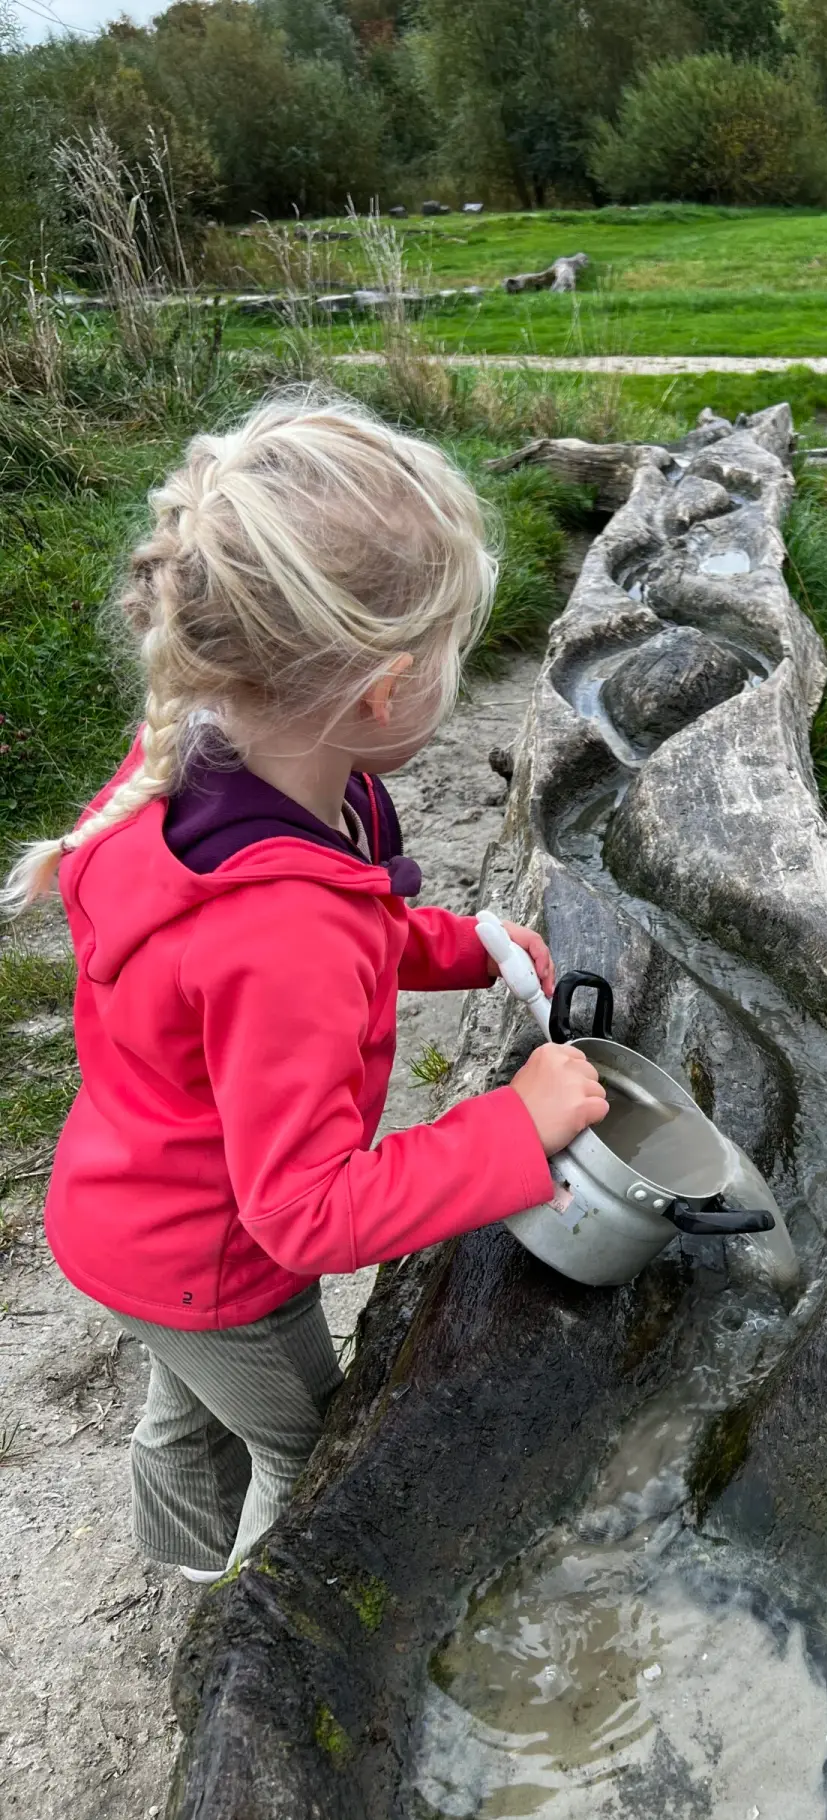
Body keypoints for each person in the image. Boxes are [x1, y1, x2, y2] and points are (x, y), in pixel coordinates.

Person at [1, 394, 608, 1582]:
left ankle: (173, 1563)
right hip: (218, 1265)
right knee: (307, 1447)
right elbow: (308, 1211)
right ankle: (247, 1628)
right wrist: (513, 1128)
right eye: (451, 660)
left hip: (120, 1212)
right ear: (384, 693)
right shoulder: (281, 926)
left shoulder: (206, 760)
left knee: (183, 1410)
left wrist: (453, 944)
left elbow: (311, 940)